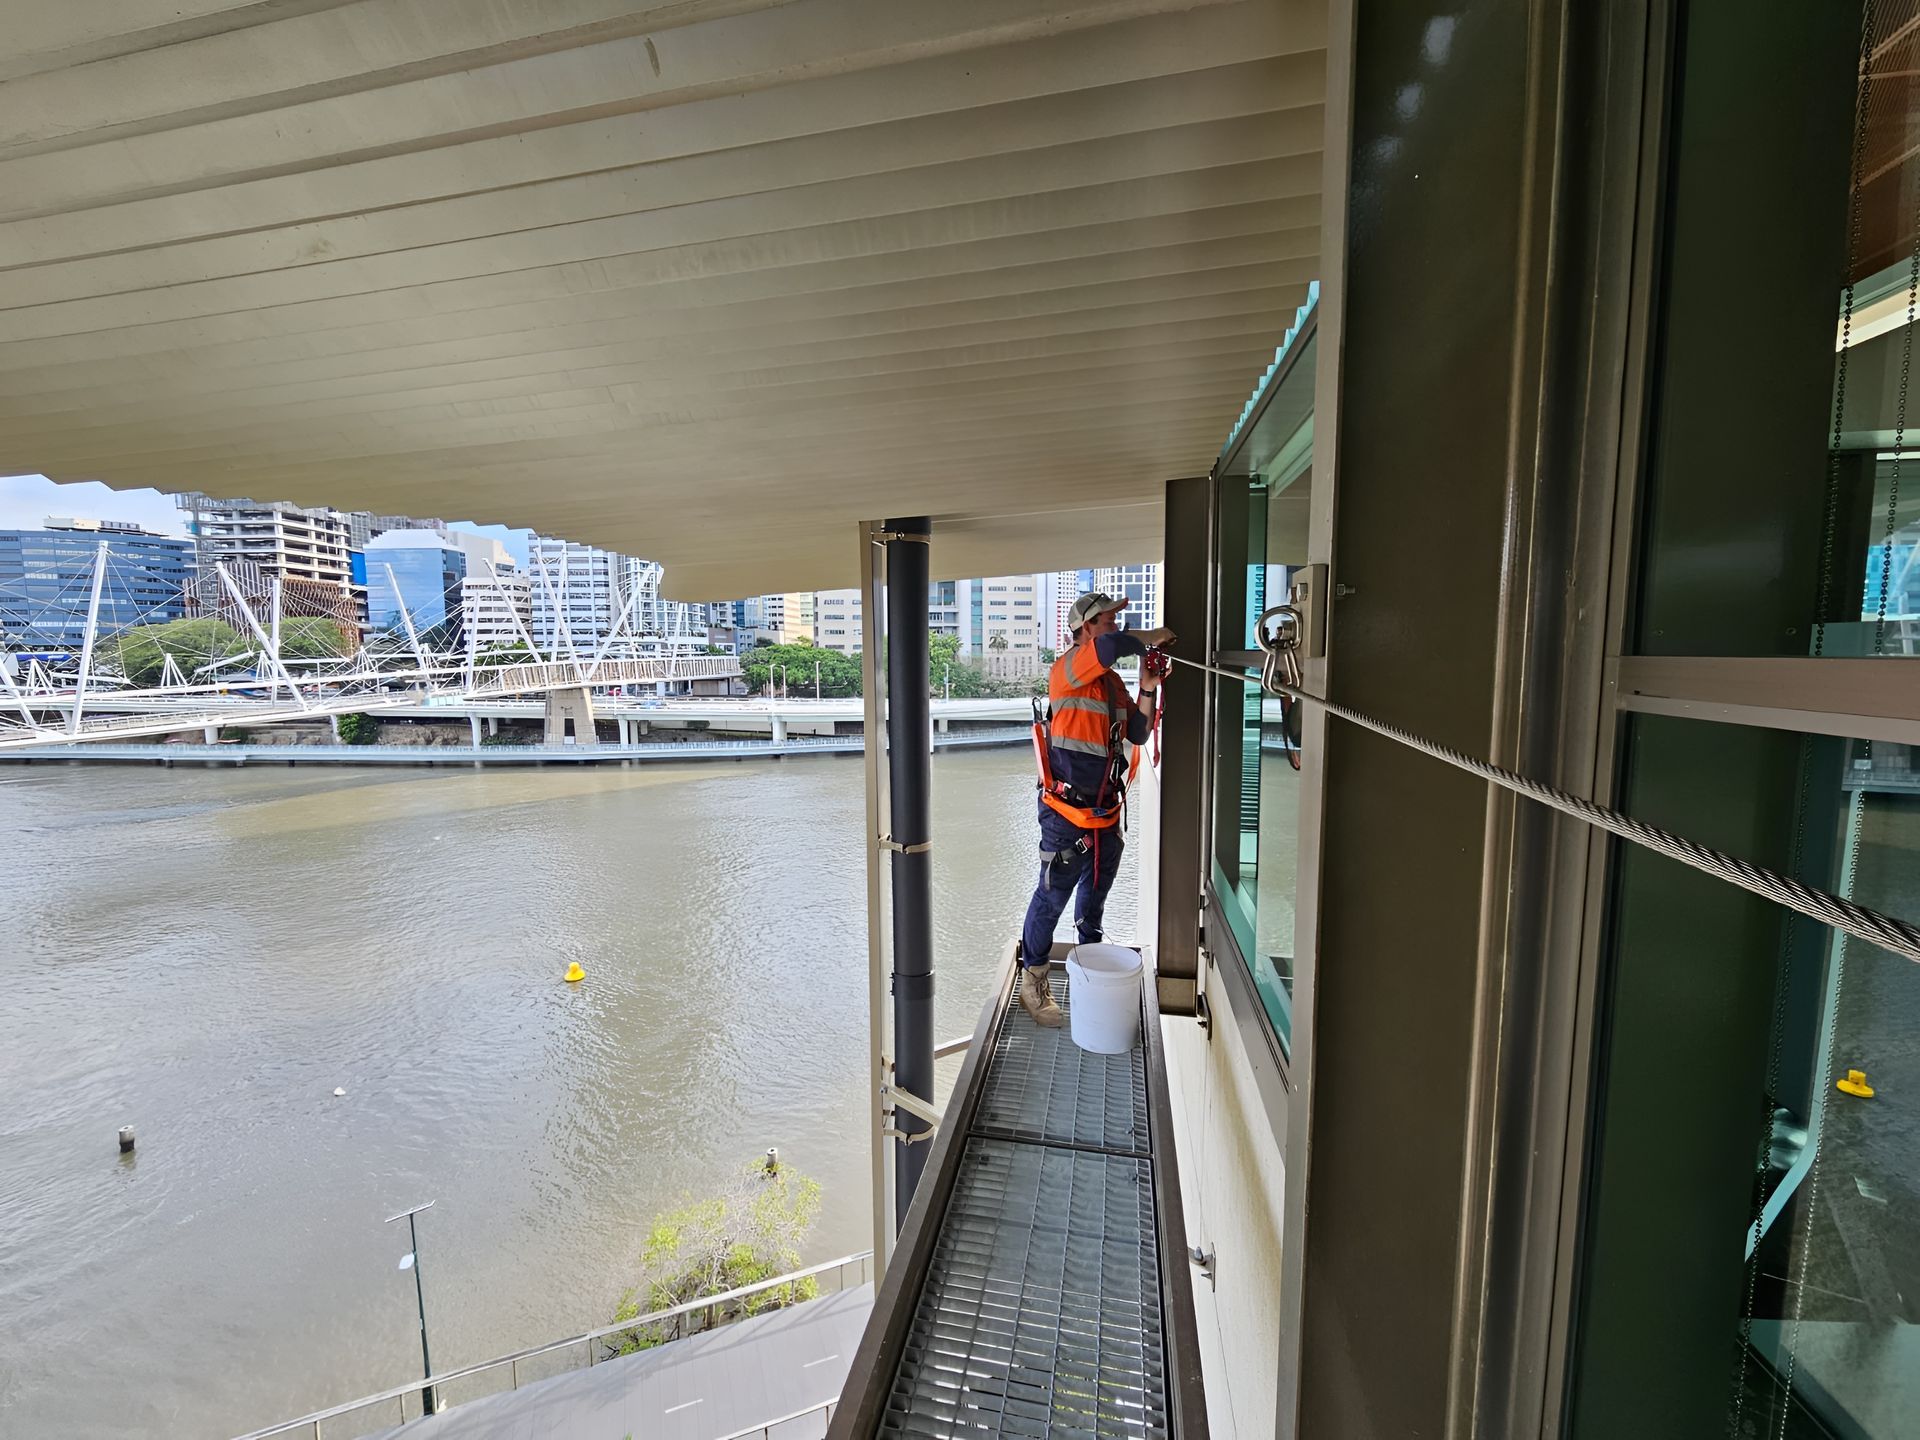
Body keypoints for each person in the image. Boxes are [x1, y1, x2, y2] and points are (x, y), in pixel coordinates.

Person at [1018, 592, 1175, 1026]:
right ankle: (1033, 978)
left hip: (1104, 812)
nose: (1114, 626)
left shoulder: (1110, 685)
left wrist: (1146, 687)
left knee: (1095, 897)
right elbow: (1109, 648)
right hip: (1066, 814)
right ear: (1085, 629)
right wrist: (1148, 639)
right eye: (1107, 620)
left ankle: (1090, 966)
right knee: (1052, 897)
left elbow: (1140, 732)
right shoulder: (1067, 669)